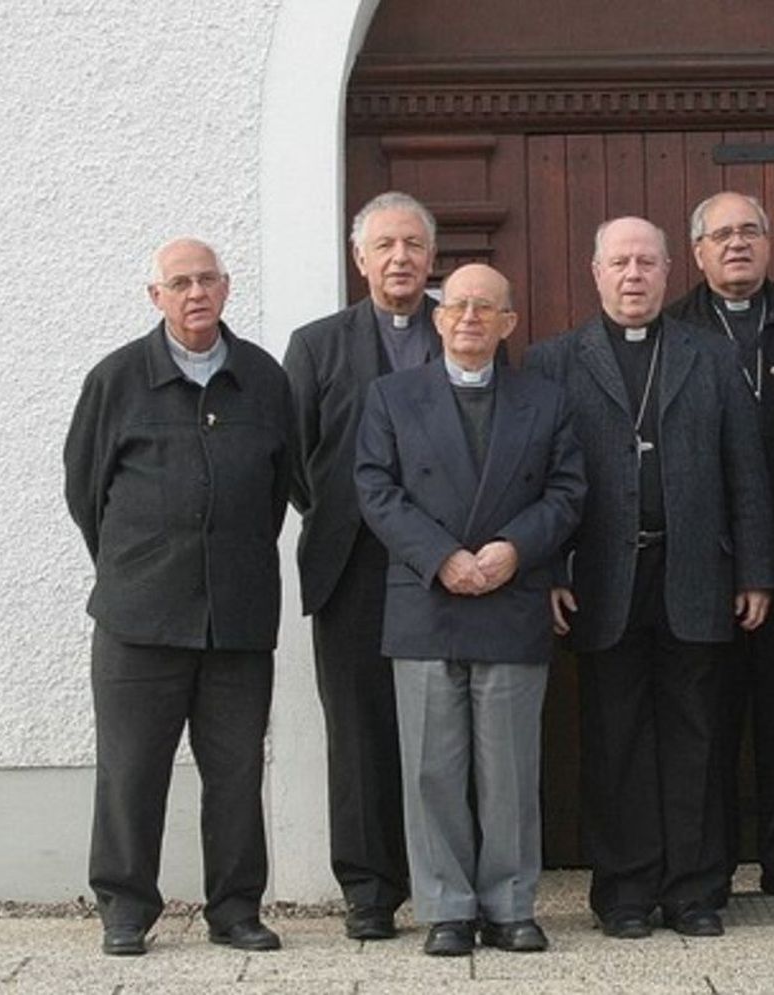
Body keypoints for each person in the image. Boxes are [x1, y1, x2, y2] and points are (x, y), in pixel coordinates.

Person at [524, 217, 774, 939]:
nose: (632, 275)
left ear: (669, 272)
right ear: (594, 271)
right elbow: (531, 473)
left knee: (697, 737)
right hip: (599, 579)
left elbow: (746, 469)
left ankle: (695, 889)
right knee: (615, 740)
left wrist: (756, 569)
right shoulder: (554, 362)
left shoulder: (708, 356)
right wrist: (546, 569)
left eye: (645, 262)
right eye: (619, 263)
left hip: (696, 571)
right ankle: (625, 891)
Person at [64, 238, 293, 956]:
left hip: (238, 616)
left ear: (227, 289)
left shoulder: (263, 378)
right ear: (155, 296)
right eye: (180, 282)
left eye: (208, 280)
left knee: (236, 770)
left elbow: (280, 484)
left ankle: (235, 909)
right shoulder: (117, 379)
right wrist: (141, 563)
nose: (196, 292)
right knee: (132, 769)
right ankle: (126, 908)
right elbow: (85, 490)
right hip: (139, 616)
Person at [355, 263, 585, 956]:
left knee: (510, 768)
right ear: (437, 317)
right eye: (456, 306)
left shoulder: (545, 400)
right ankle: (447, 906)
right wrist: (442, 556)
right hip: (428, 598)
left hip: (510, 597)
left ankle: (512, 904)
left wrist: (513, 549)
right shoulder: (392, 397)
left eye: (486, 308)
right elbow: (375, 487)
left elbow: (569, 490)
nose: (469, 318)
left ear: (509, 322)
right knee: (433, 766)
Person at [663, 191, 774, 908]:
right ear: (699, 252)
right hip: (698, 563)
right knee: (702, 722)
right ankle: (707, 867)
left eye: (750, 232)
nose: (736, 244)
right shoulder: (674, 329)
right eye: (721, 234)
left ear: (769, 244)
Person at [284, 191, 440, 940]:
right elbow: (294, 457)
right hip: (350, 567)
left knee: (442, 726)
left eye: (412, 244)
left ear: (432, 256)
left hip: (443, 569)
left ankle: (444, 881)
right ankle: (370, 891)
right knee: (359, 731)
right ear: (360, 259)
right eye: (385, 245)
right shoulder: (316, 345)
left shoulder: (464, 328)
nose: (400, 258)